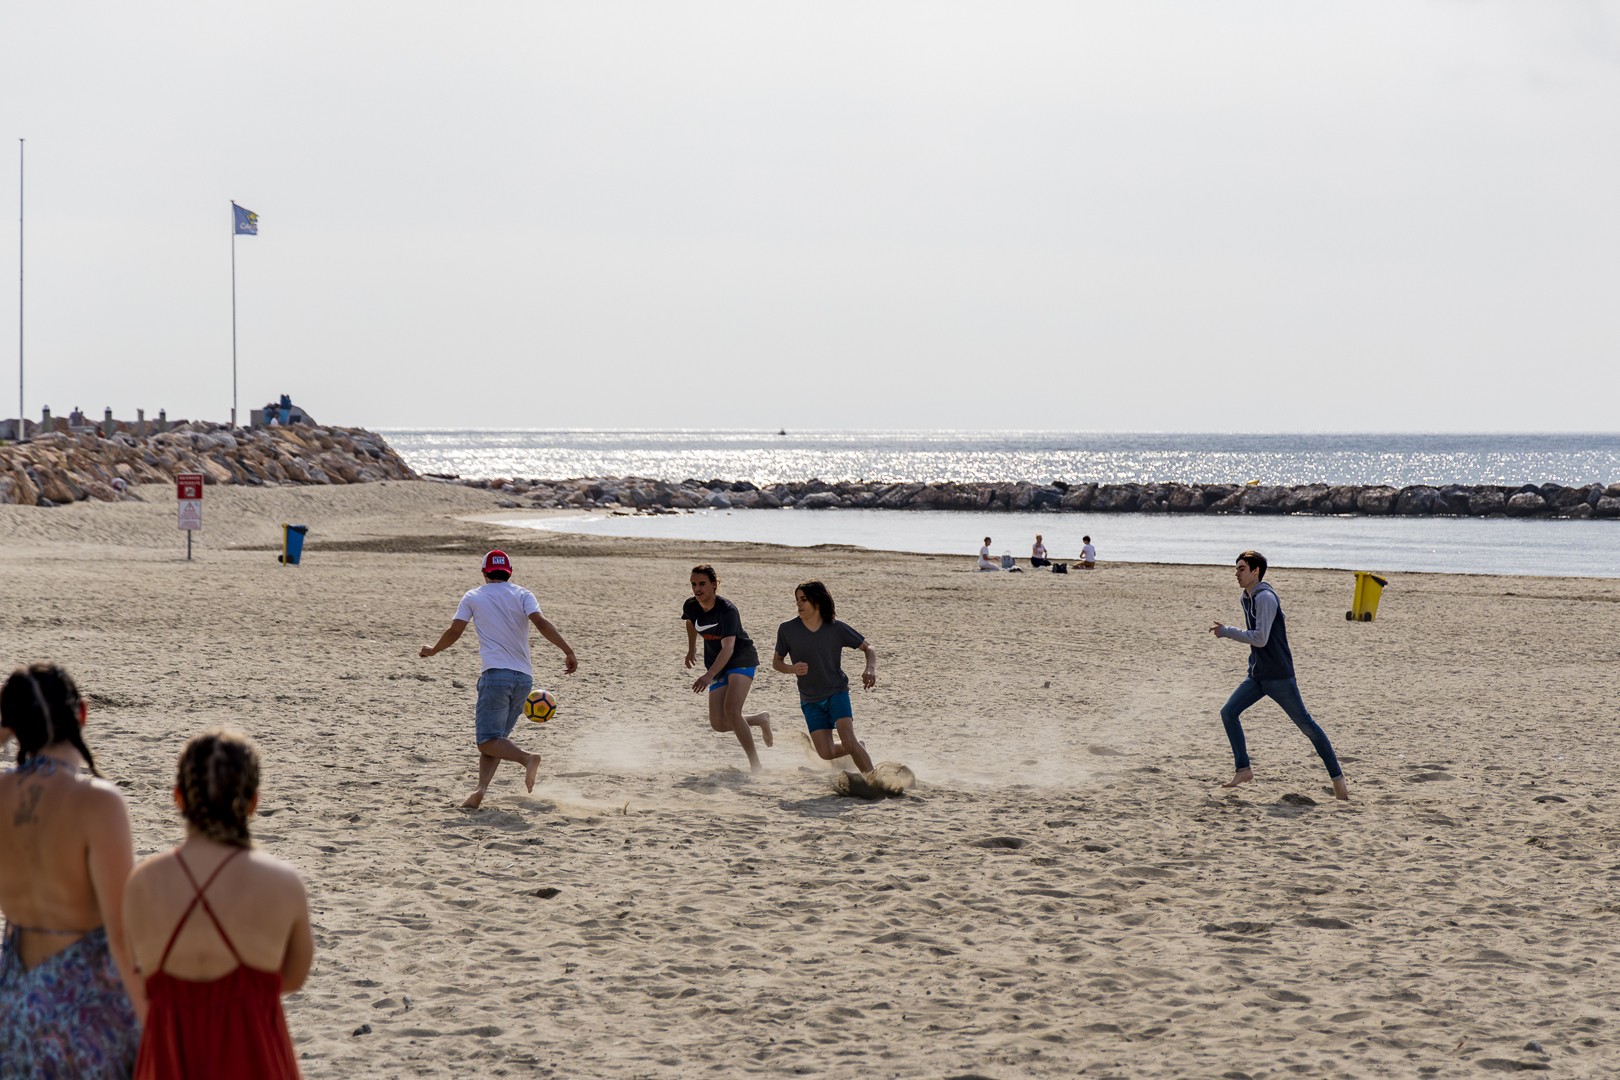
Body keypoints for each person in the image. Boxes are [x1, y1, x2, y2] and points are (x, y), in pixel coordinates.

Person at [124, 729, 312, 1079]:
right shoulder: (282, 883)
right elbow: (293, 977)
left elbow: (136, 975)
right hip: (255, 1057)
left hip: (170, 1056)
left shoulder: (142, 883)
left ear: (178, 797)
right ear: (253, 802)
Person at [0, 664, 142, 1077]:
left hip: (15, 1000)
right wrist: (151, 1020)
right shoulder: (98, 803)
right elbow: (121, 935)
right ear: (82, 712)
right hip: (86, 1006)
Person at [420, 549, 579, 808]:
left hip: (496, 676)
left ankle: (527, 758)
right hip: (523, 679)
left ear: (484, 573)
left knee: (487, 740)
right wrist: (567, 650)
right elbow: (541, 623)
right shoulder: (523, 594)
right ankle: (479, 791)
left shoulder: (473, 596)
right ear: (509, 573)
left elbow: (455, 631)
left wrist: (434, 650)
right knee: (495, 740)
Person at [1209, 550, 1350, 801]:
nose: (1236, 573)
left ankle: (1338, 782)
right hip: (1257, 675)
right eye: (1236, 568)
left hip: (1279, 677)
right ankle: (1243, 769)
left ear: (1256, 572)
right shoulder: (1246, 597)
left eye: (1242, 569)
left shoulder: (1265, 597)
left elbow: (1260, 638)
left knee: (1308, 727)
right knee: (1228, 713)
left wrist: (1227, 631)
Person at [772, 581, 878, 778]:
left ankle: (873, 779)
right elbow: (777, 662)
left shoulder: (835, 628)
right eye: (797, 600)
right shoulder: (787, 629)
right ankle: (857, 747)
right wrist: (791, 669)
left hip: (836, 692)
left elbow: (868, 648)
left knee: (848, 739)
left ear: (818, 601)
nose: (799, 604)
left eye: (804, 599)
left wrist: (870, 668)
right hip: (809, 699)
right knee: (826, 752)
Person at [683, 564, 772, 771]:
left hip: (741, 659)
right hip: (717, 662)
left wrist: (709, 675)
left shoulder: (727, 610)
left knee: (732, 710)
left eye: (702, 584)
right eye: (694, 584)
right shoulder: (691, 605)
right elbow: (690, 623)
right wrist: (691, 649)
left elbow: (729, 647)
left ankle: (755, 764)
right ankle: (760, 718)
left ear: (714, 585)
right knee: (718, 723)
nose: (697, 589)